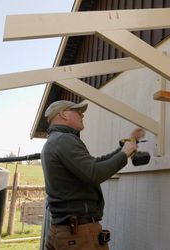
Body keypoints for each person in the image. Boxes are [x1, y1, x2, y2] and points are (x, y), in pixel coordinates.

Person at [41, 100, 144, 250]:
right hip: (78, 234)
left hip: (66, 231)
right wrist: (125, 153)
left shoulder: (55, 141)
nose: (82, 114)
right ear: (62, 114)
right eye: (77, 111)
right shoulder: (64, 140)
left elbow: (93, 164)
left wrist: (123, 149)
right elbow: (94, 173)